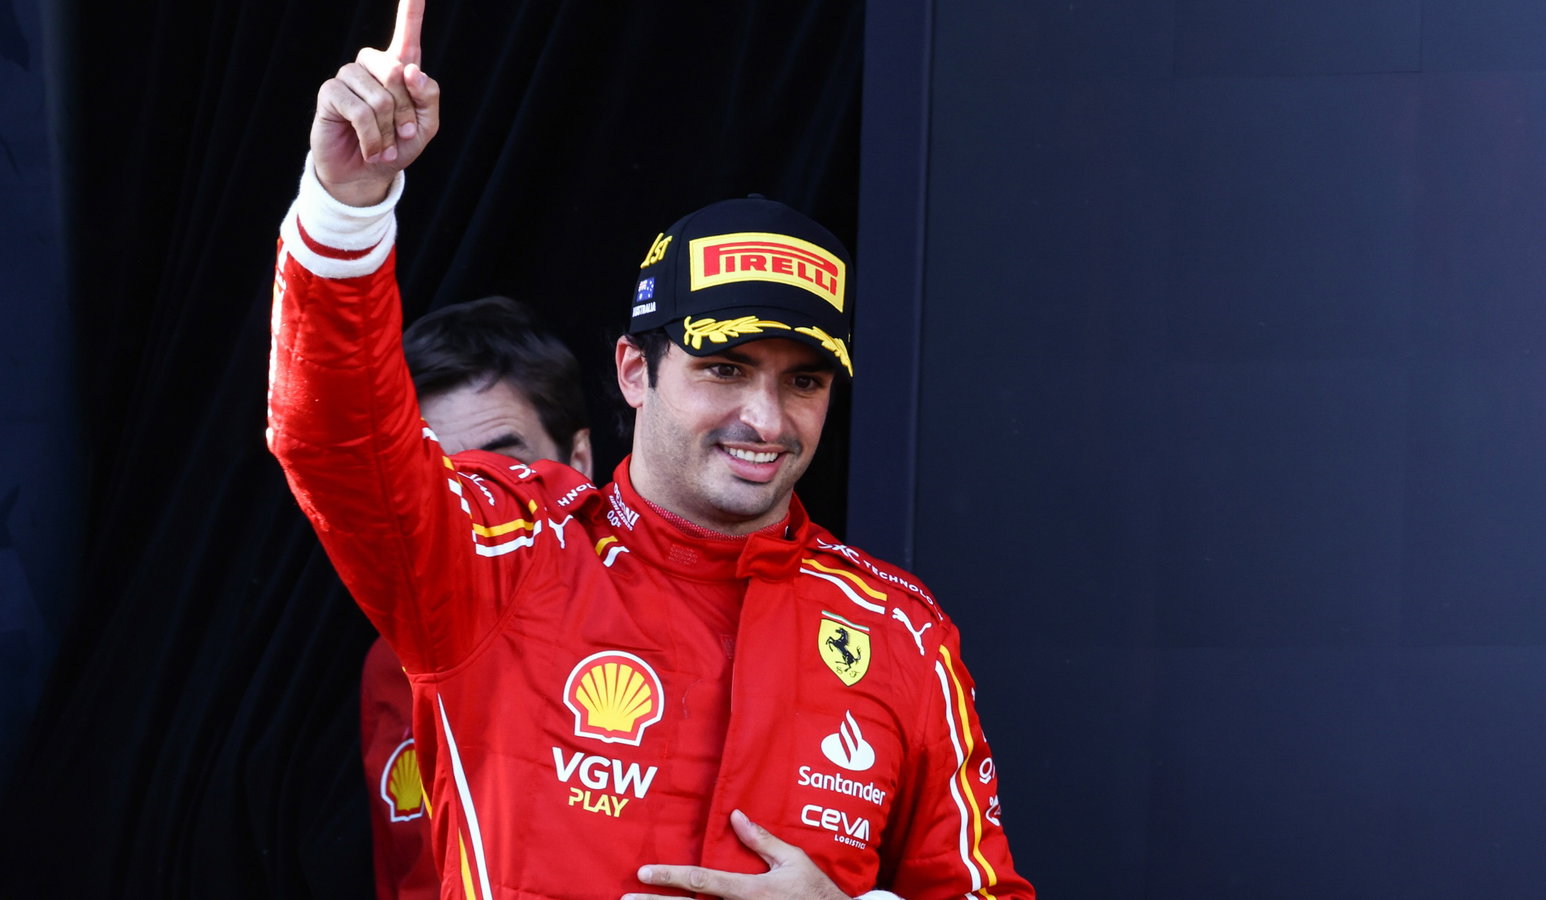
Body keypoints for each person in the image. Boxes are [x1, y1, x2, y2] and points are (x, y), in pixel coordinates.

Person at [267, 2, 1034, 897]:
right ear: (635, 370)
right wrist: (346, 209)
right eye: (724, 368)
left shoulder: (900, 631)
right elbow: (335, 441)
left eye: (804, 381)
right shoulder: (506, 560)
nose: (766, 419)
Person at [361, 295, 593, 900]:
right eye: (440, 476)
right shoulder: (390, 662)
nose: (471, 505)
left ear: (579, 461)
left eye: (501, 469)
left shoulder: (667, 622)